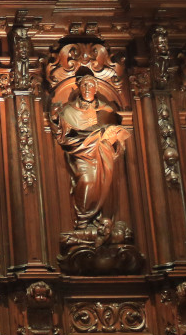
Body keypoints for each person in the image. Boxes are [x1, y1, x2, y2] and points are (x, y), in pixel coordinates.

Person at [53, 72, 130, 229]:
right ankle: (83, 217)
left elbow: (114, 131)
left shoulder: (107, 110)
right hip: (81, 152)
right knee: (87, 182)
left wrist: (113, 138)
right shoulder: (69, 110)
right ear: (79, 88)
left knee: (103, 184)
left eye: (91, 85)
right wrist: (55, 118)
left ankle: (95, 219)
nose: (87, 88)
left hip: (102, 154)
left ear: (96, 88)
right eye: (84, 85)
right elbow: (64, 135)